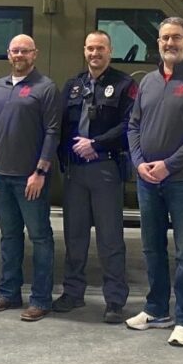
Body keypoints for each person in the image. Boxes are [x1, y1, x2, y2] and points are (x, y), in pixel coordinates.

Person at [125, 17, 183, 347]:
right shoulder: (147, 81)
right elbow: (133, 126)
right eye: (165, 37)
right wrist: (139, 163)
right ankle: (156, 310)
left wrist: (168, 165)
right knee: (151, 247)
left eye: (177, 37)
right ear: (158, 42)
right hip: (147, 180)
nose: (170, 43)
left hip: (182, 181)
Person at [53, 30, 135, 323]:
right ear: (84, 51)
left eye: (100, 48)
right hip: (76, 171)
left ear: (110, 52)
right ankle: (73, 293)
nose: (94, 53)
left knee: (110, 239)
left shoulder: (125, 85)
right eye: (90, 48)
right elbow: (61, 125)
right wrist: (65, 156)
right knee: (74, 237)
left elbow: (130, 126)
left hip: (105, 168)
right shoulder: (74, 85)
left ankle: (114, 300)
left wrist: (96, 144)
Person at [0, 34, 60, 322]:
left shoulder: (46, 88)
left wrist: (40, 172)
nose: (19, 55)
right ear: (8, 54)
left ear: (34, 54)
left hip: (30, 180)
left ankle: (41, 300)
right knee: (9, 237)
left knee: (40, 238)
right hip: (0, 178)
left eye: (25, 51)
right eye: (15, 50)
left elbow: (53, 131)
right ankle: (9, 293)